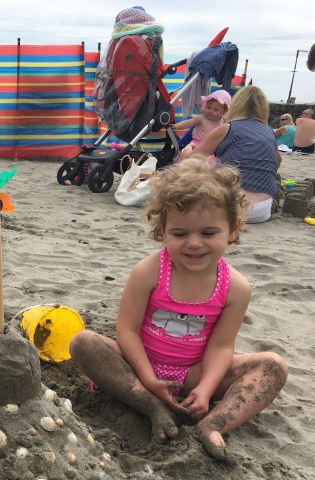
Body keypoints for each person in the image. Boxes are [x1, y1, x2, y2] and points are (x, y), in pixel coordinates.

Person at [69, 157, 287, 463]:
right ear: (163, 231)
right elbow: (127, 331)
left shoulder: (236, 288)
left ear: (232, 229)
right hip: (138, 367)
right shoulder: (148, 272)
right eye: (180, 234)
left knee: (273, 366)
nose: (194, 243)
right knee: (84, 343)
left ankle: (213, 424)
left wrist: (206, 389)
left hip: (193, 375)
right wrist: (147, 379)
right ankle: (152, 406)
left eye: (208, 233)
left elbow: (221, 347)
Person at [190, 85, 281, 224]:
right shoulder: (269, 132)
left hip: (229, 208)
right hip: (262, 211)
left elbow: (192, 161)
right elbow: (277, 162)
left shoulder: (228, 128)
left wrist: (187, 149)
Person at [173, 89, 231, 161]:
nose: (211, 111)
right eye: (209, 107)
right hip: (196, 144)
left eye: (215, 110)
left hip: (211, 147)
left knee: (208, 163)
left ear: (223, 112)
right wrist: (178, 125)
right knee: (190, 160)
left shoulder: (222, 123)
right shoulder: (201, 118)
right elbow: (188, 123)